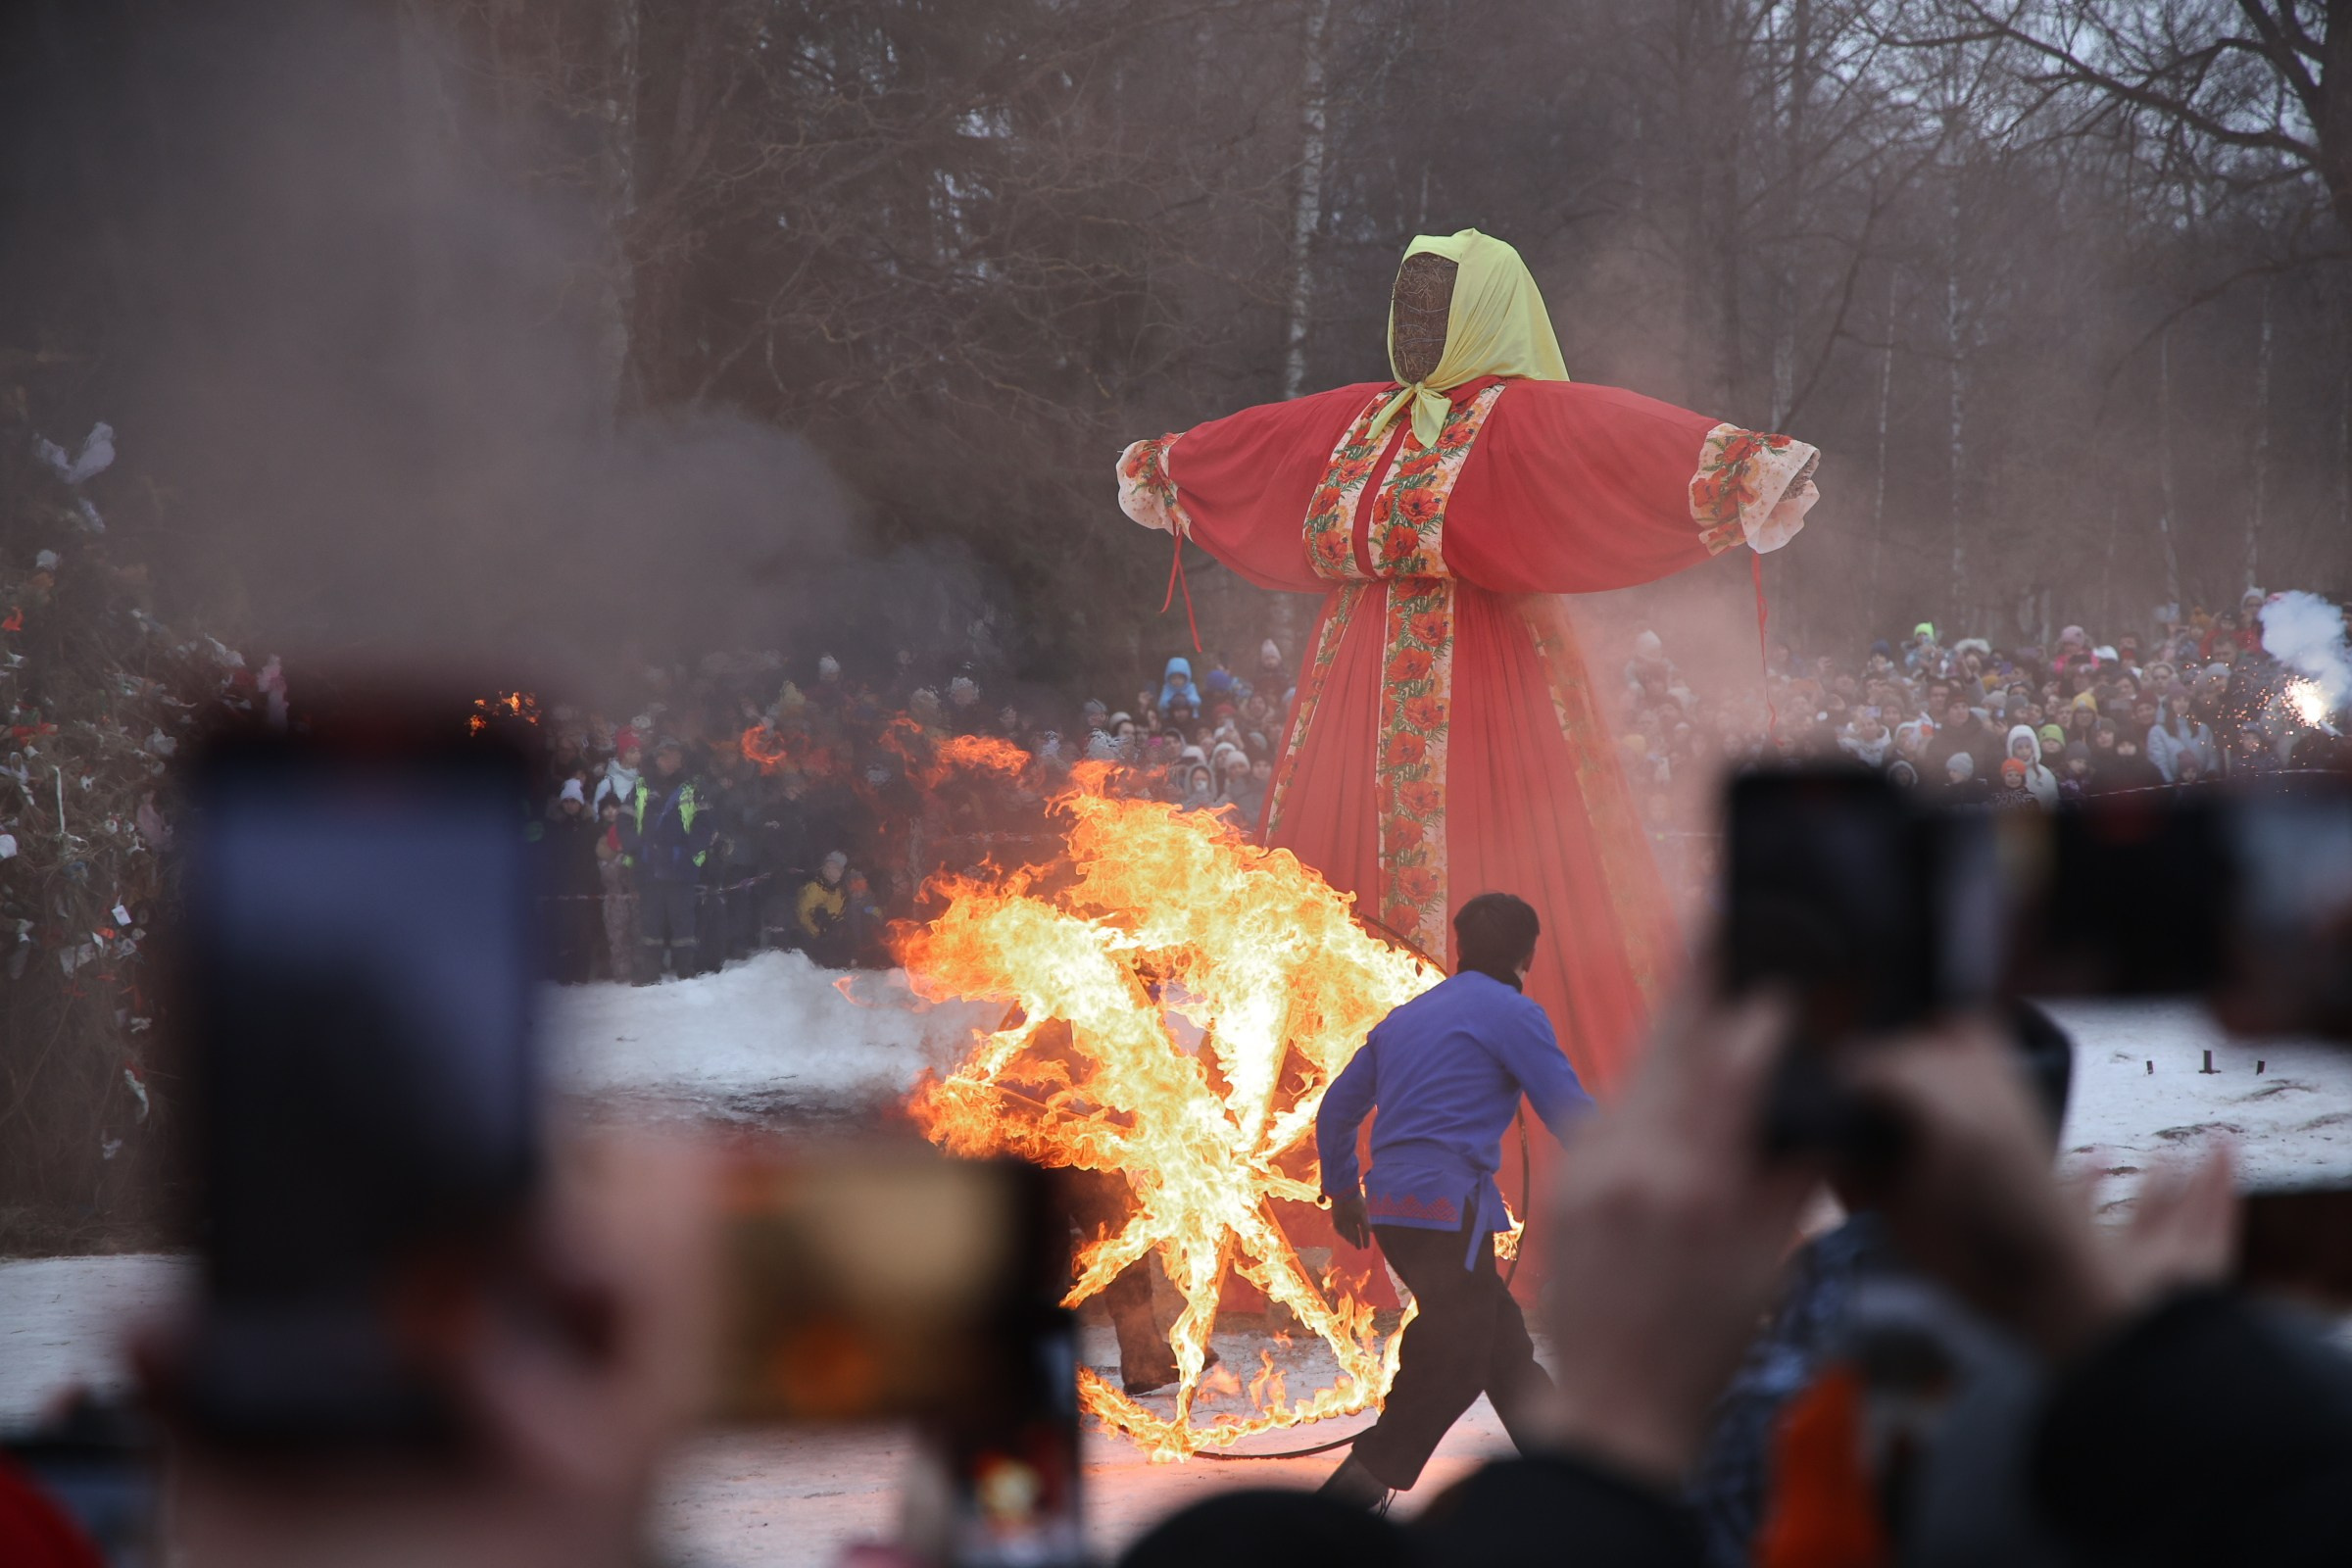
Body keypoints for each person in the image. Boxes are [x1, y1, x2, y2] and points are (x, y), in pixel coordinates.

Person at [1114, 228, 1819, 1097]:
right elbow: (1263, 446)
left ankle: (1480, 1112)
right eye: (1407, 302)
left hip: (1487, 686)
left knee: (1486, 870)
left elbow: (1618, 439)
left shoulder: (1518, 417)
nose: (1415, 325)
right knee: (1326, 898)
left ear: (1481, 315)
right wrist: (1171, 465)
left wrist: (1746, 468)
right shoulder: (1362, 419)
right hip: (1345, 699)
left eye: (1435, 305)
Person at [1313, 893, 1595, 1508]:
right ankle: (1354, 1492)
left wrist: (1341, 1191)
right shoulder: (1513, 1014)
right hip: (1448, 1207)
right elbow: (1572, 1116)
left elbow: (1337, 1109)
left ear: (1461, 949)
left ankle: (1572, 1475)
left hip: (1390, 1207)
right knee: (1463, 1353)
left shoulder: (1406, 1017)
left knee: (1500, 1348)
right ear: (1529, 953)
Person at [617, 738, 713, 984]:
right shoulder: (640, 788)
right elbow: (625, 822)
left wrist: (688, 851)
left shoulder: (693, 788)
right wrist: (638, 849)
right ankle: (651, 970)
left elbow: (704, 825)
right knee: (650, 922)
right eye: (668, 755)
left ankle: (686, 969)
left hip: (681, 869)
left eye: (677, 755)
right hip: (649, 869)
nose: (674, 760)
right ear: (658, 758)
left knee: (684, 921)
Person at [796, 850, 850, 967]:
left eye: (838, 869)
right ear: (825, 868)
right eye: (830, 867)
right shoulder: (813, 888)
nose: (835, 872)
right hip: (811, 934)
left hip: (829, 934)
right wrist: (818, 933)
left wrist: (839, 927)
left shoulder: (838, 891)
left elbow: (838, 914)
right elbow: (803, 915)